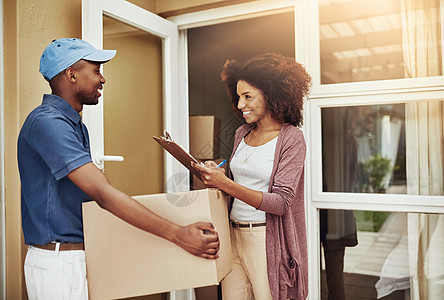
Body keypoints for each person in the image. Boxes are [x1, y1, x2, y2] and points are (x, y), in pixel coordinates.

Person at [17, 38, 219, 300]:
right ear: (72, 74)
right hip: (59, 264)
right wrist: (179, 235)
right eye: (97, 70)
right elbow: (103, 193)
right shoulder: (48, 123)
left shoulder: (73, 124)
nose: (103, 80)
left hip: (76, 256)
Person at [193, 53, 311, 300]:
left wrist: (225, 183)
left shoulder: (291, 139)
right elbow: (241, 180)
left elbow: (280, 202)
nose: (240, 105)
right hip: (233, 235)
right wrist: (220, 173)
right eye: (238, 97)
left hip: (265, 239)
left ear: (272, 95)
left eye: (248, 96)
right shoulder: (241, 133)